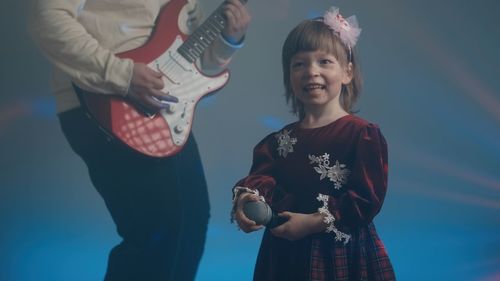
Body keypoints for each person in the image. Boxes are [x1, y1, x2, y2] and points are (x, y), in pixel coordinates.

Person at [29, 0, 251, 280]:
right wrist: (123, 75)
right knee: (156, 233)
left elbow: (197, 61)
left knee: (191, 224)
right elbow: (46, 18)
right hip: (103, 102)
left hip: (164, 112)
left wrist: (230, 40)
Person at [232, 6, 396, 281]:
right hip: (286, 254)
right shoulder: (278, 141)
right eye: (300, 64)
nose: (311, 71)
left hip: (340, 252)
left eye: (324, 62)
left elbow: (366, 200)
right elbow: (260, 180)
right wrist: (247, 201)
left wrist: (312, 223)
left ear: (347, 72)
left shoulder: (362, 134)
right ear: (289, 77)